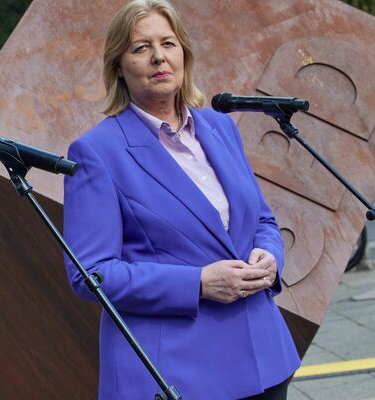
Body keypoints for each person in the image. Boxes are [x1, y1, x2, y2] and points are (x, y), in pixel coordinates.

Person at [63, 1, 300, 399]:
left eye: (168, 43)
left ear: (184, 54)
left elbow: (261, 219)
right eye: (141, 48)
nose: (159, 57)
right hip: (178, 372)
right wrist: (198, 283)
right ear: (118, 66)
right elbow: (91, 274)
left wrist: (271, 256)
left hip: (265, 359)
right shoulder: (97, 152)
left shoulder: (220, 126)